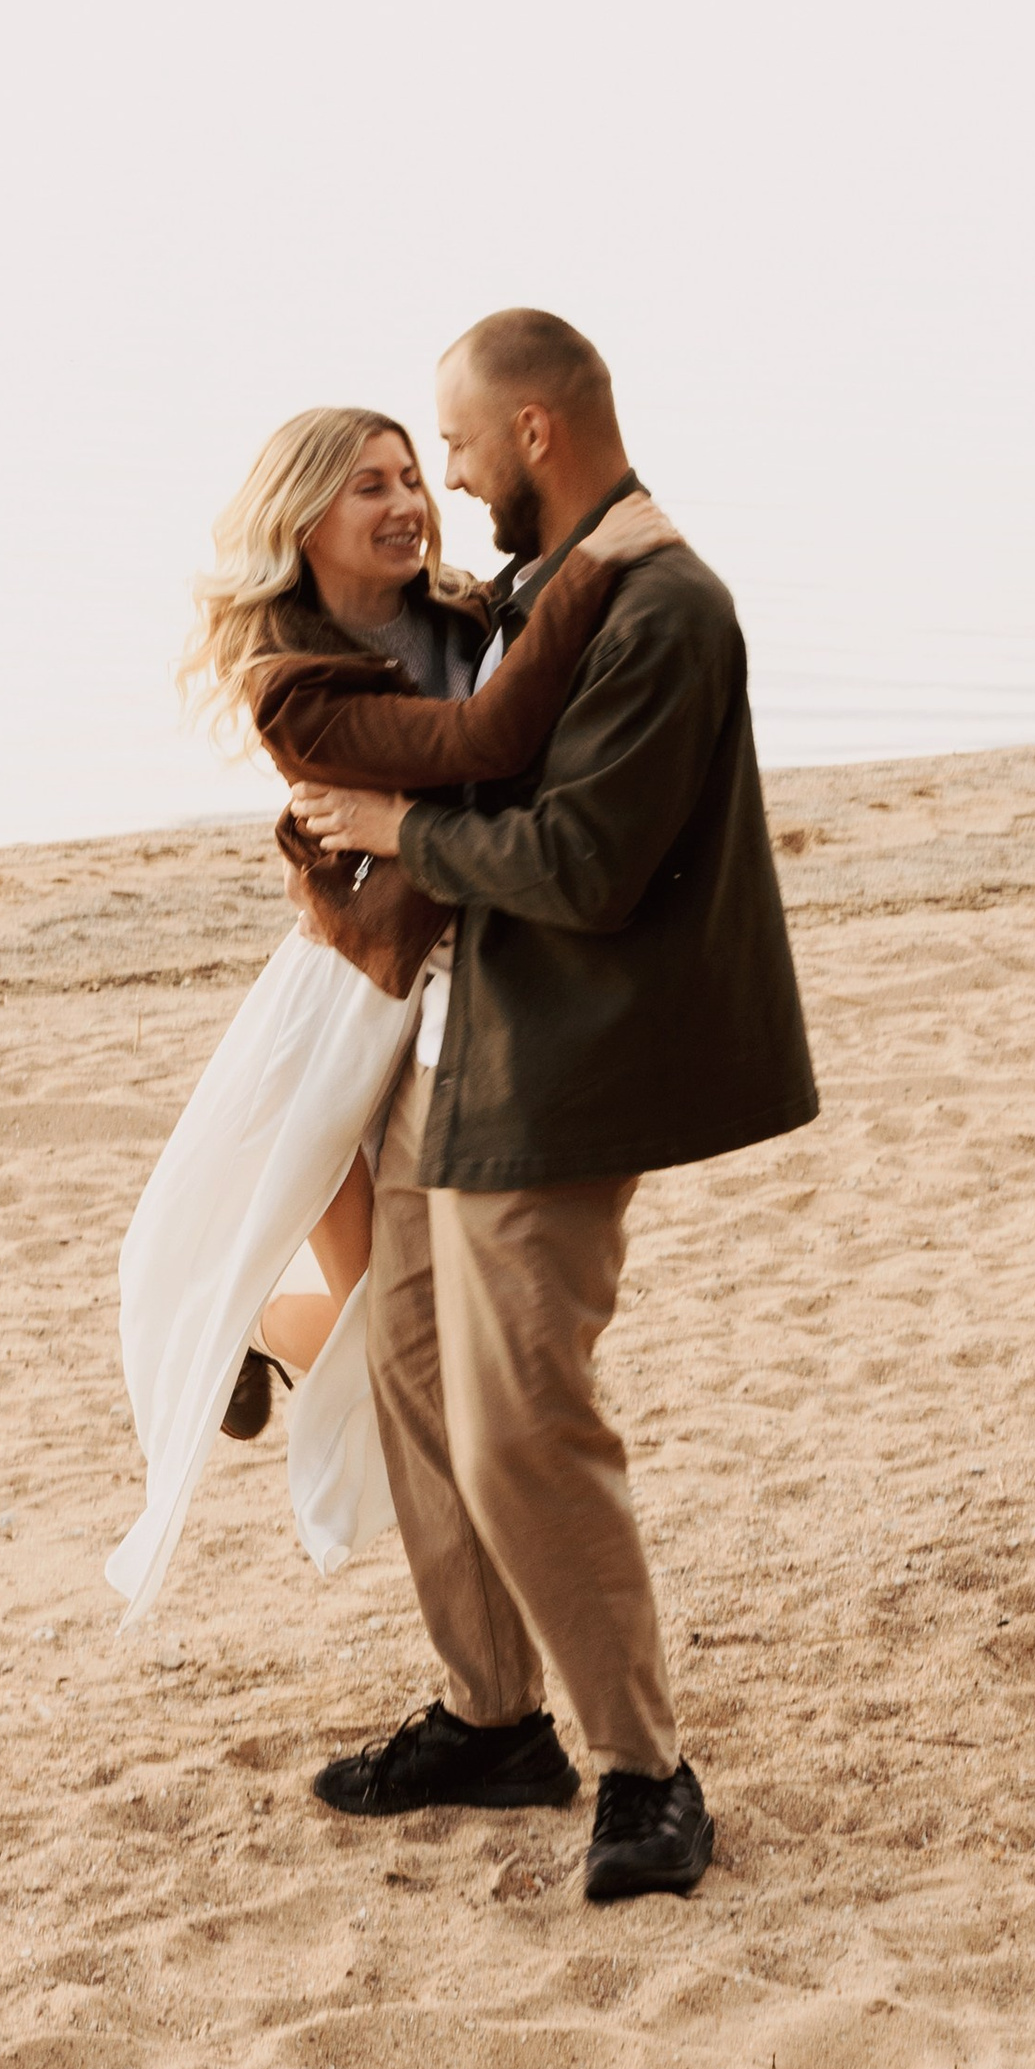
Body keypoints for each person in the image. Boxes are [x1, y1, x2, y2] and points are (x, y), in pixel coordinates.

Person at [290, 309, 818, 1905]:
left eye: (452, 447)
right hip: (452, 1048)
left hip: (561, 1064)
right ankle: (492, 1717)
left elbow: (584, 866)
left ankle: (648, 1768)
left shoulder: (664, 606)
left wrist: (397, 828)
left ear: (533, 431)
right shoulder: (536, 588)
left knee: (525, 1423)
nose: (445, 480)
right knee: (409, 1372)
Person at [106, 405, 672, 1627]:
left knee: (405, 1318)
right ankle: (263, 1340)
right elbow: (480, 744)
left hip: (459, 991)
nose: (407, 502)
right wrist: (599, 562)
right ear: (304, 516)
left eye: (413, 475)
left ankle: (272, 1345)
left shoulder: (469, 610)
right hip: (353, 1000)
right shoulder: (291, 685)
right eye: (370, 485)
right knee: (371, 1300)